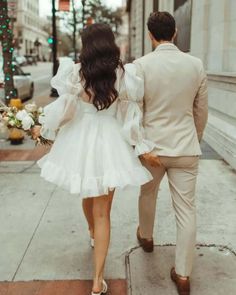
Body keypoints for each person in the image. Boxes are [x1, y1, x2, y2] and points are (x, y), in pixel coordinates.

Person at [32, 23, 159, 295]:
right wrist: (139, 144)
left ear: (86, 44)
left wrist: (45, 128)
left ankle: (92, 232)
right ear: (109, 43)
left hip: (80, 139)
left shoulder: (76, 72)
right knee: (104, 211)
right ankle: (96, 281)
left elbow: (65, 110)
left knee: (87, 195)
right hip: (112, 140)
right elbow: (129, 115)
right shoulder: (122, 73)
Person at [134, 12, 208, 295]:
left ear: (150, 35)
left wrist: (141, 145)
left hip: (152, 149)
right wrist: (194, 138)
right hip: (186, 147)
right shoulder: (195, 64)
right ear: (175, 32)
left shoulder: (140, 66)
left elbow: (134, 111)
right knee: (186, 210)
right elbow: (201, 110)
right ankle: (184, 274)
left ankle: (147, 237)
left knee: (148, 193)